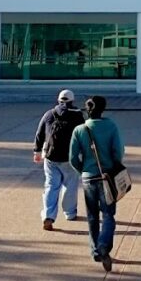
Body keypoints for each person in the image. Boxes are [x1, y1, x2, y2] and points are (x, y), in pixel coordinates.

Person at [68, 95, 124, 272]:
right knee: (108, 214)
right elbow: (118, 152)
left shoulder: (79, 129)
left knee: (92, 216)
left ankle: (95, 251)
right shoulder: (111, 126)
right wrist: (114, 166)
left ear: (87, 110)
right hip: (107, 177)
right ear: (103, 109)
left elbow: (72, 158)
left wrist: (83, 170)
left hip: (88, 177)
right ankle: (104, 245)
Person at [33, 89, 85, 230]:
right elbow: (83, 135)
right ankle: (70, 213)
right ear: (72, 100)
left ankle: (48, 215)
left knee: (51, 185)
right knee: (70, 185)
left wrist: (37, 151)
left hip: (51, 156)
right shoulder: (78, 116)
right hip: (70, 158)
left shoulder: (49, 114)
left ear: (58, 100)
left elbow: (39, 133)